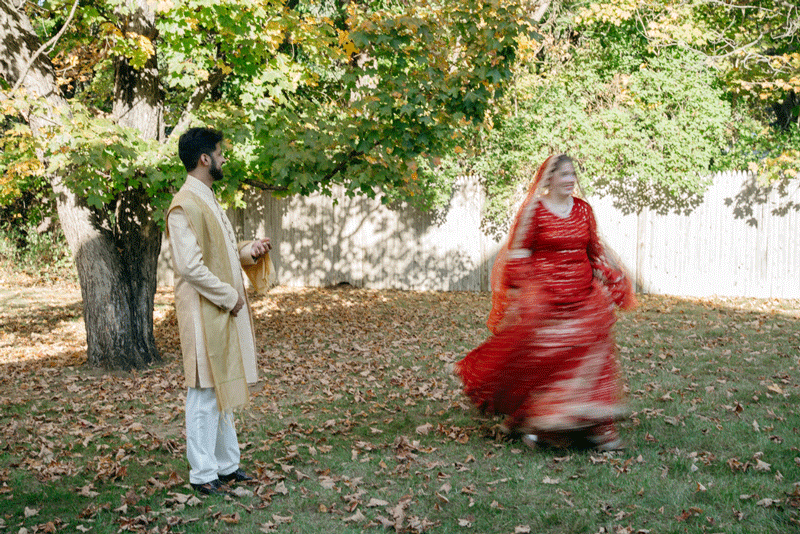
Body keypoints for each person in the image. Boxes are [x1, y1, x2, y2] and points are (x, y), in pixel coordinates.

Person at [455, 154, 636, 451]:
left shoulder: (583, 210)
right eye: (563, 175)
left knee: (593, 341)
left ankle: (592, 422)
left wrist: (611, 276)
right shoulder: (534, 211)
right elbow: (519, 254)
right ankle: (542, 420)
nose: (569, 180)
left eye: (572, 175)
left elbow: (594, 250)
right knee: (547, 354)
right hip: (547, 299)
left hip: (582, 295)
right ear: (548, 178)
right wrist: (530, 292)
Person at [166, 127, 273, 495]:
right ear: (204, 159)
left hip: (221, 308)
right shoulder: (184, 205)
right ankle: (202, 474)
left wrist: (250, 251)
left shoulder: (208, 197)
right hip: (202, 312)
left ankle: (227, 466)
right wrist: (230, 296)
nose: (224, 157)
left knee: (224, 384)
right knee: (203, 393)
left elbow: (225, 254)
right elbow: (191, 268)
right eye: (220, 152)